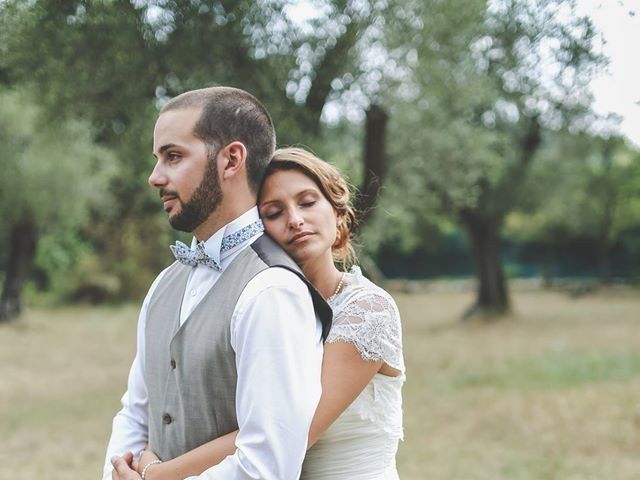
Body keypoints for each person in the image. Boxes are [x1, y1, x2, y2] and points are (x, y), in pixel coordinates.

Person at [112, 148, 405, 480]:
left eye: (307, 203)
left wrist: (155, 472)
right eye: (274, 211)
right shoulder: (260, 307)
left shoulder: (366, 312)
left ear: (338, 214)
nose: (295, 219)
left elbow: (289, 433)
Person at [104, 88, 333, 480]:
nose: (155, 177)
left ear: (231, 159)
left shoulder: (272, 290)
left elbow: (268, 464)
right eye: (158, 159)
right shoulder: (163, 284)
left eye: (173, 157)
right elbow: (135, 412)